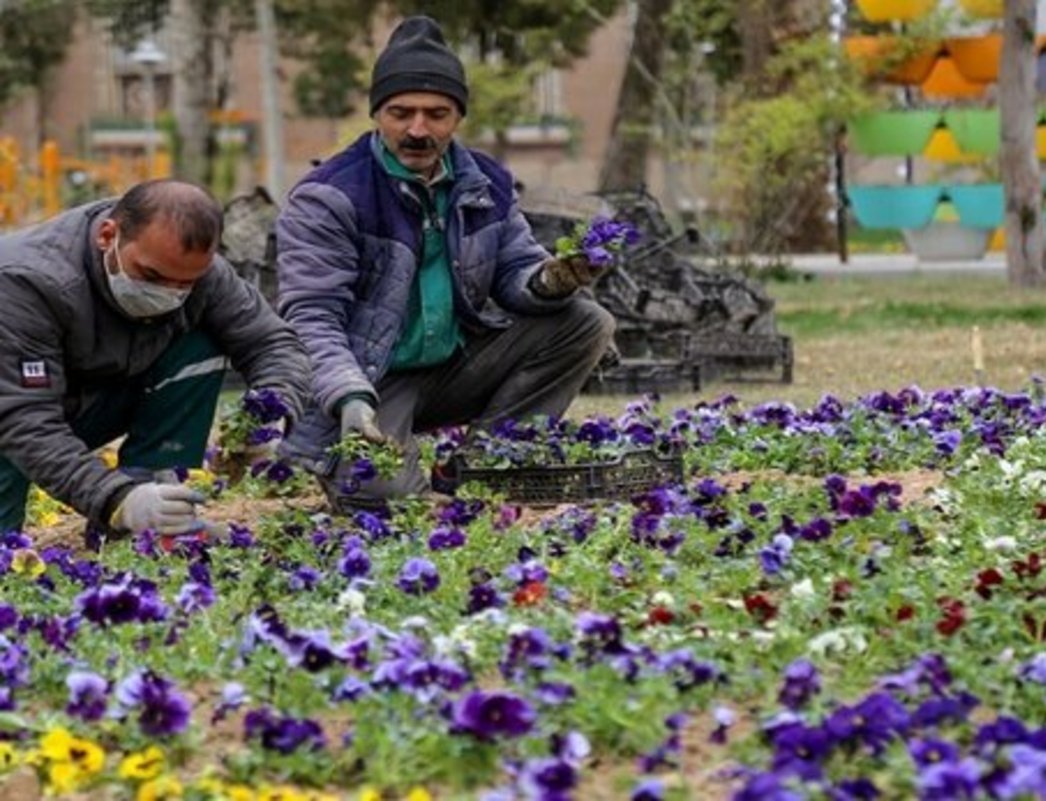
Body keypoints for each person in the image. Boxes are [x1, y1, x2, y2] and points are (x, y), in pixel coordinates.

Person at [276, 15, 615, 511]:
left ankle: (486, 461)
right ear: (377, 113)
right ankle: (375, 461)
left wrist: (550, 280)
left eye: (436, 113)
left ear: (457, 117)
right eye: (400, 112)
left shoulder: (484, 182)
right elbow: (311, 317)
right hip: (368, 380)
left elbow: (514, 273)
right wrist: (347, 395)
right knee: (386, 500)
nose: (418, 129)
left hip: (452, 364)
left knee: (584, 321)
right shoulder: (330, 197)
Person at [0, 179, 311, 537]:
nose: (168, 294)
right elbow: (21, 417)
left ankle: (155, 506)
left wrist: (272, 412)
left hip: (80, 400)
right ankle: (130, 508)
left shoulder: (197, 273)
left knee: (200, 344)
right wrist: (115, 499)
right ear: (107, 236)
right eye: (151, 276)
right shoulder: (27, 283)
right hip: (14, 411)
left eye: (185, 284)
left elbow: (272, 341)